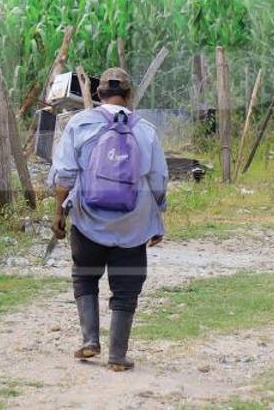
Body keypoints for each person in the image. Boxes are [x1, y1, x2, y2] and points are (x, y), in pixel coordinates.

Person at [47, 67, 168, 372]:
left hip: (88, 219)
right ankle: (117, 355)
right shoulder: (146, 130)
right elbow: (158, 182)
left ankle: (90, 340)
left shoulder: (80, 123)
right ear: (129, 96)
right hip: (133, 223)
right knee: (126, 288)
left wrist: (59, 212)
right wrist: (157, 219)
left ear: (99, 94)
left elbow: (64, 175)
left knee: (85, 277)